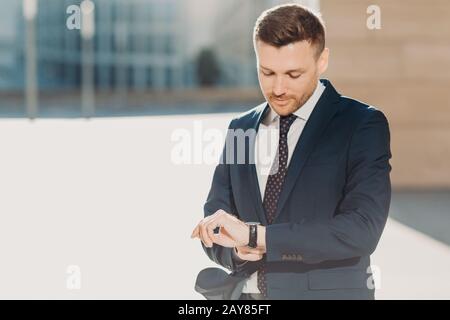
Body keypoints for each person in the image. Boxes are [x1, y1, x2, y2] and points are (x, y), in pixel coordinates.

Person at [191, 3, 391, 300]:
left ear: (322, 60)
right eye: (267, 72)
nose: (279, 88)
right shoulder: (241, 128)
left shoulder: (361, 124)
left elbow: (362, 228)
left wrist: (259, 237)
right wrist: (237, 248)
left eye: (293, 74)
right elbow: (216, 218)